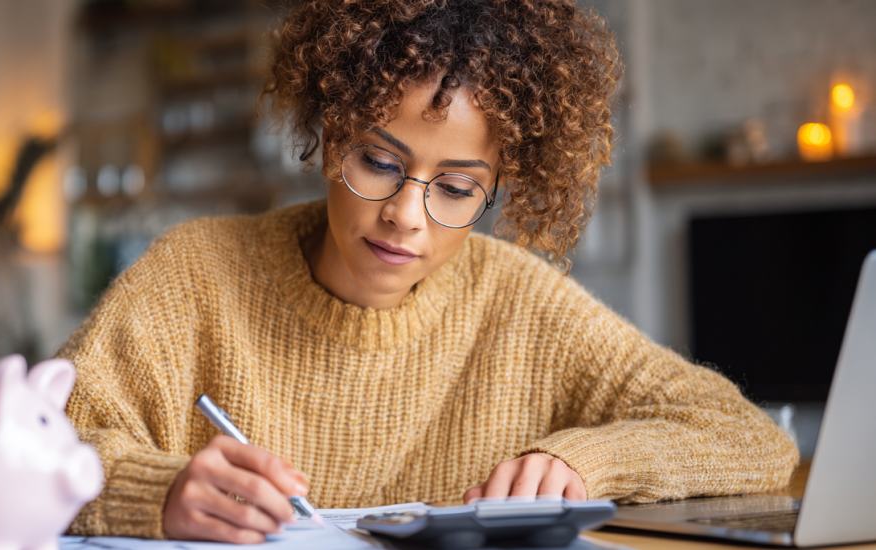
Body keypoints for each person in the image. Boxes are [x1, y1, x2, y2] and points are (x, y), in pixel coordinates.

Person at [59, 0, 799, 543]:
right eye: (378, 162)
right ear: (326, 138)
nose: (407, 215)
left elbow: (750, 437)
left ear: (497, 187)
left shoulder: (520, 303)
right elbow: (33, 447)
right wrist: (156, 493)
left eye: (454, 188)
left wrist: (583, 458)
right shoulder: (194, 276)